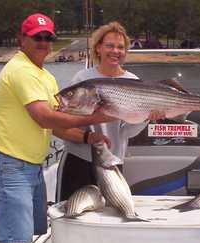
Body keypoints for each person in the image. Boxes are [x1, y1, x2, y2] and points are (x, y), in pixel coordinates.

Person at [0, 13, 114, 243]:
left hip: (30, 166)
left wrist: (89, 138)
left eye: (48, 37)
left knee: (26, 232)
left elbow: (56, 128)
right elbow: (44, 117)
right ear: (22, 39)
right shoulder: (20, 71)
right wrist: (94, 119)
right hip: (9, 164)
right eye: (37, 37)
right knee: (15, 238)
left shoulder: (45, 76)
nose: (43, 42)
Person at [56, 21, 164, 202]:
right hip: (79, 158)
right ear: (98, 48)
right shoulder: (83, 78)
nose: (115, 51)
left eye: (120, 47)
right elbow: (62, 123)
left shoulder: (133, 81)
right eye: (110, 46)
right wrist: (87, 135)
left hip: (112, 161)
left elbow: (127, 132)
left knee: (108, 216)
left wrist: (147, 118)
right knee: (72, 212)